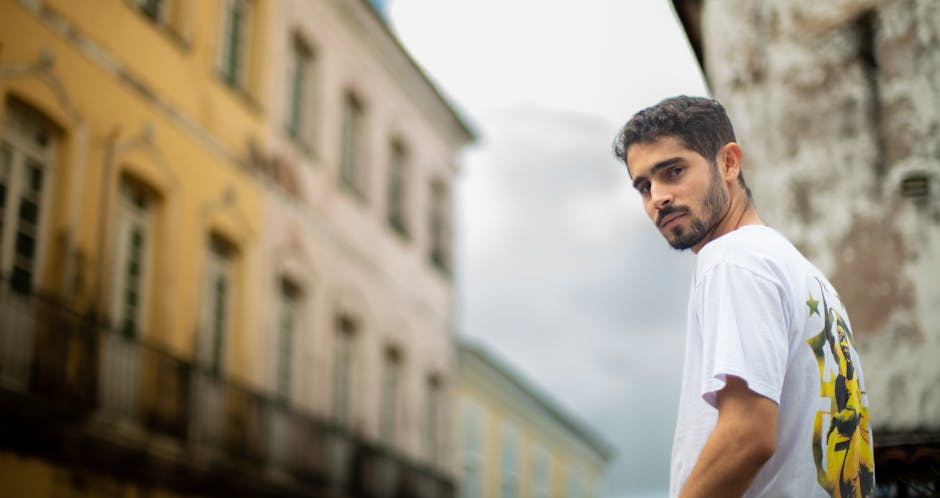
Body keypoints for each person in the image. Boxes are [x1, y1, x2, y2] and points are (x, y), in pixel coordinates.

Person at [613, 96, 875, 498]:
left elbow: (747, 435)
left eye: (674, 171)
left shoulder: (733, 260)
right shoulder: (804, 275)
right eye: (644, 185)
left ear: (729, 163)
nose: (658, 198)